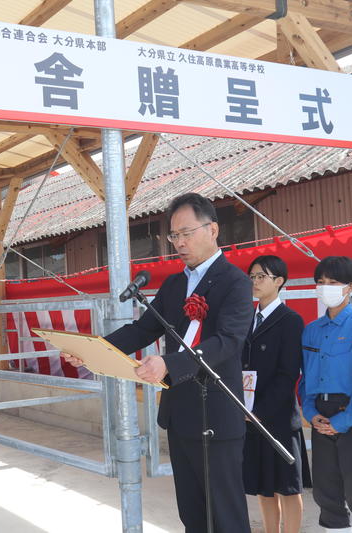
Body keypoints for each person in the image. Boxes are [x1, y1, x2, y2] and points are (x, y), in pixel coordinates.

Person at [63, 192, 253, 532]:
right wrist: (94, 349)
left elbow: (228, 341)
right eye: (173, 235)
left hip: (217, 417)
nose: (179, 242)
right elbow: (143, 329)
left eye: (186, 233)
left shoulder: (235, 282)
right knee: (192, 513)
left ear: (213, 230)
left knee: (226, 516)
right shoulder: (174, 283)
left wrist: (170, 365)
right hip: (181, 414)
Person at [301, 256, 352, 533]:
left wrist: (344, 420)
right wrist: (311, 413)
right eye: (321, 283)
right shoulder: (311, 331)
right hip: (320, 414)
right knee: (326, 490)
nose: (326, 288)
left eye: (333, 283)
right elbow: (306, 377)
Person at [242, 255, 309, 533]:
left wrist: (260, 412)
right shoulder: (247, 318)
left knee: (288, 486)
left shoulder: (290, 320)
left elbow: (288, 373)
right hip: (248, 413)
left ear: (279, 281)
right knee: (263, 486)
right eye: (252, 277)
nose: (255, 282)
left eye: (262, 277)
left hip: (277, 416)